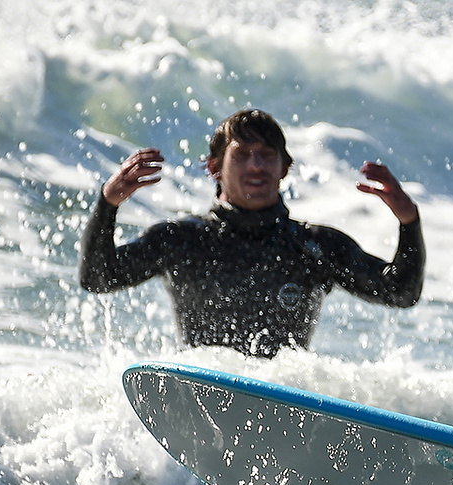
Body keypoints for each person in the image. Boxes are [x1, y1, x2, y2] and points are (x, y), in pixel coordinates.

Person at [78, 108, 424, 358]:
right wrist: (107, 205)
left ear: (284, 167)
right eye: (241, 155)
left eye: (267, 155)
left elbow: (400, 291)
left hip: (282, 405)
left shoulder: (314, 246)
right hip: (202, 395)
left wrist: (409, 223)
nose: (256, 165)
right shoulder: (182, 240)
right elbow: (98, 277)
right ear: (215, 168)